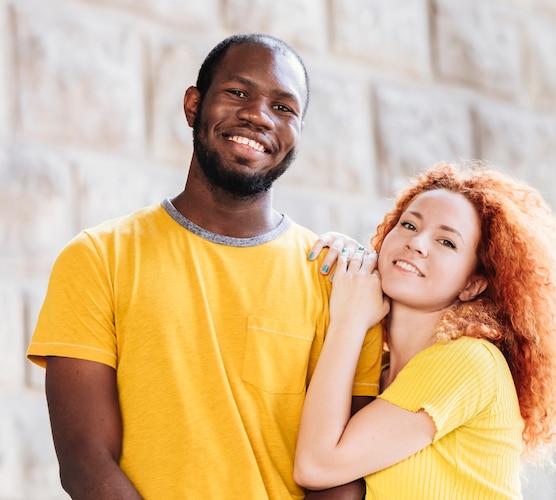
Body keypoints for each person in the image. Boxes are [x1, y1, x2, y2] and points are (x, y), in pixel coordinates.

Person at [27, 33, 382, 499]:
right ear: (194, 105)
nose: (258, 115)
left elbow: (345, 473)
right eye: (238, 93)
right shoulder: (98, 257)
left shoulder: (341, 282)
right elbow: (86, 462)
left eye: (284, 107)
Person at [294, 161, 556, 499]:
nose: (418, 243)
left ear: (472, 284)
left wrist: (348, 322)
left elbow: (316, 466)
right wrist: (350, 261)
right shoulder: (380, 370)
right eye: (409, 224)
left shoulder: (467, 361)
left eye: (447, 242)